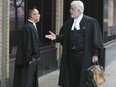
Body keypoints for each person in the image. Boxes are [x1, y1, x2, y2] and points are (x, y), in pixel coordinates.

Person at [45, 1, 103, 87]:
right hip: (71, 56)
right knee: (71, 78)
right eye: (70, 8)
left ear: (79, 10)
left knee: (85, 79)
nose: (70, 10)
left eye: (72, 9)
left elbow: (96, 39)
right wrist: (56, 38)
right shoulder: (69, 23)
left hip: (84, 56)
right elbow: (65, 38)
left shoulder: (91, 22)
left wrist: (95, 54)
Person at [13, 7, 41, 87]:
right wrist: (29, 59)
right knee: (27, 82)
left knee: (30, 81)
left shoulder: (31, 26)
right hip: (28, 61)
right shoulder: (28, 27)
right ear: (32, 15)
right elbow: (27, 44)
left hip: (32, 59)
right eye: (37, 14)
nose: (39, 15)